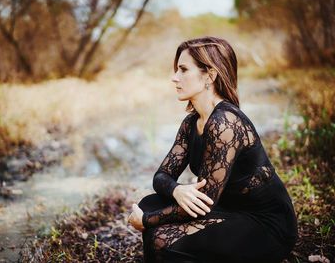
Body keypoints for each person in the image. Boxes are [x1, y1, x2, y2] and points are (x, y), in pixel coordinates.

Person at [127, 36, 298, 263]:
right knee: (148, 203)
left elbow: (205, 201)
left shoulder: (225, 122)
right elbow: (161, 176)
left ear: (209, 75)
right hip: (227, 208)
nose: (174, 77)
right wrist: (177, 190)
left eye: (183, 70)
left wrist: (146, 220)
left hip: (264, 224)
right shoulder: (191, 122)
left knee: (161, 238)